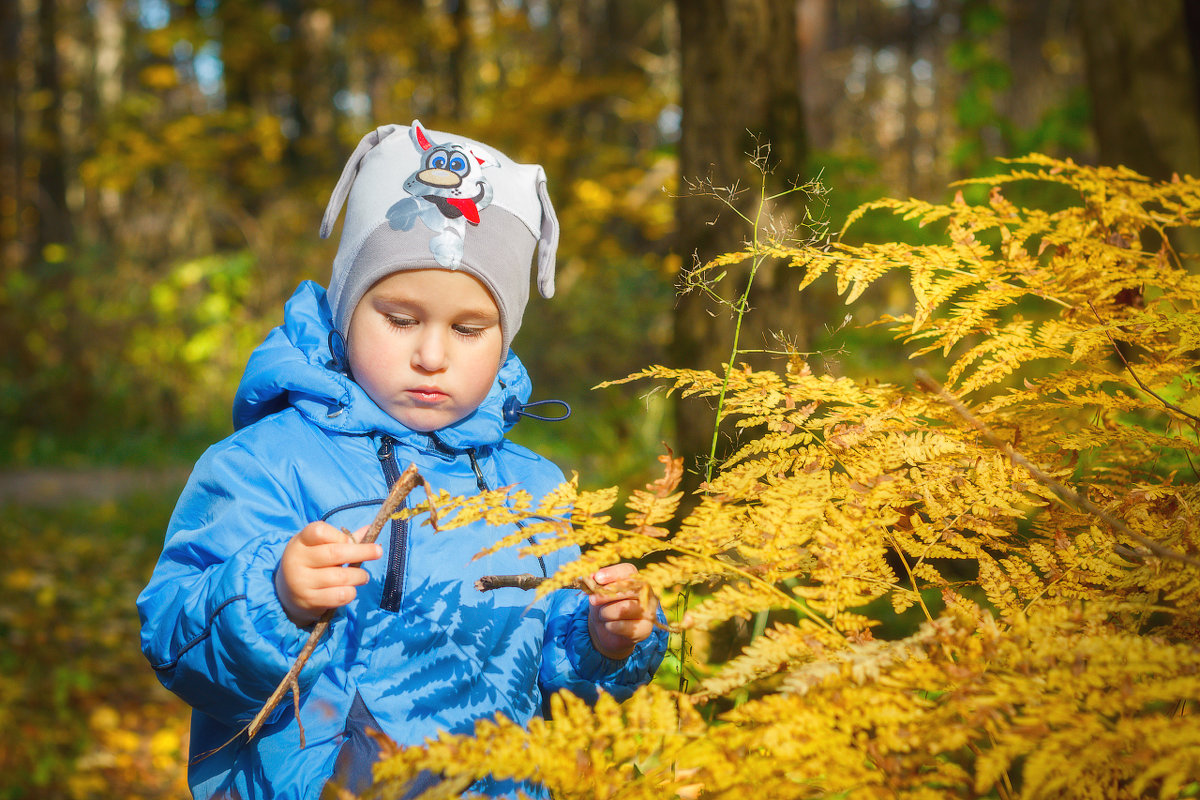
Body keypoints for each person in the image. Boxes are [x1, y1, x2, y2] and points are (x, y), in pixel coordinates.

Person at [137, 120, 667, 799]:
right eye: (400, 318)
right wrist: (275, 596)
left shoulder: (532, 486)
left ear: (506, 339)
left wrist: (605, 639)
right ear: (346, 308)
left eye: (469, 329)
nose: (432, 356)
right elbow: (176, 644)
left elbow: (563, 681)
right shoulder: (265, 464)